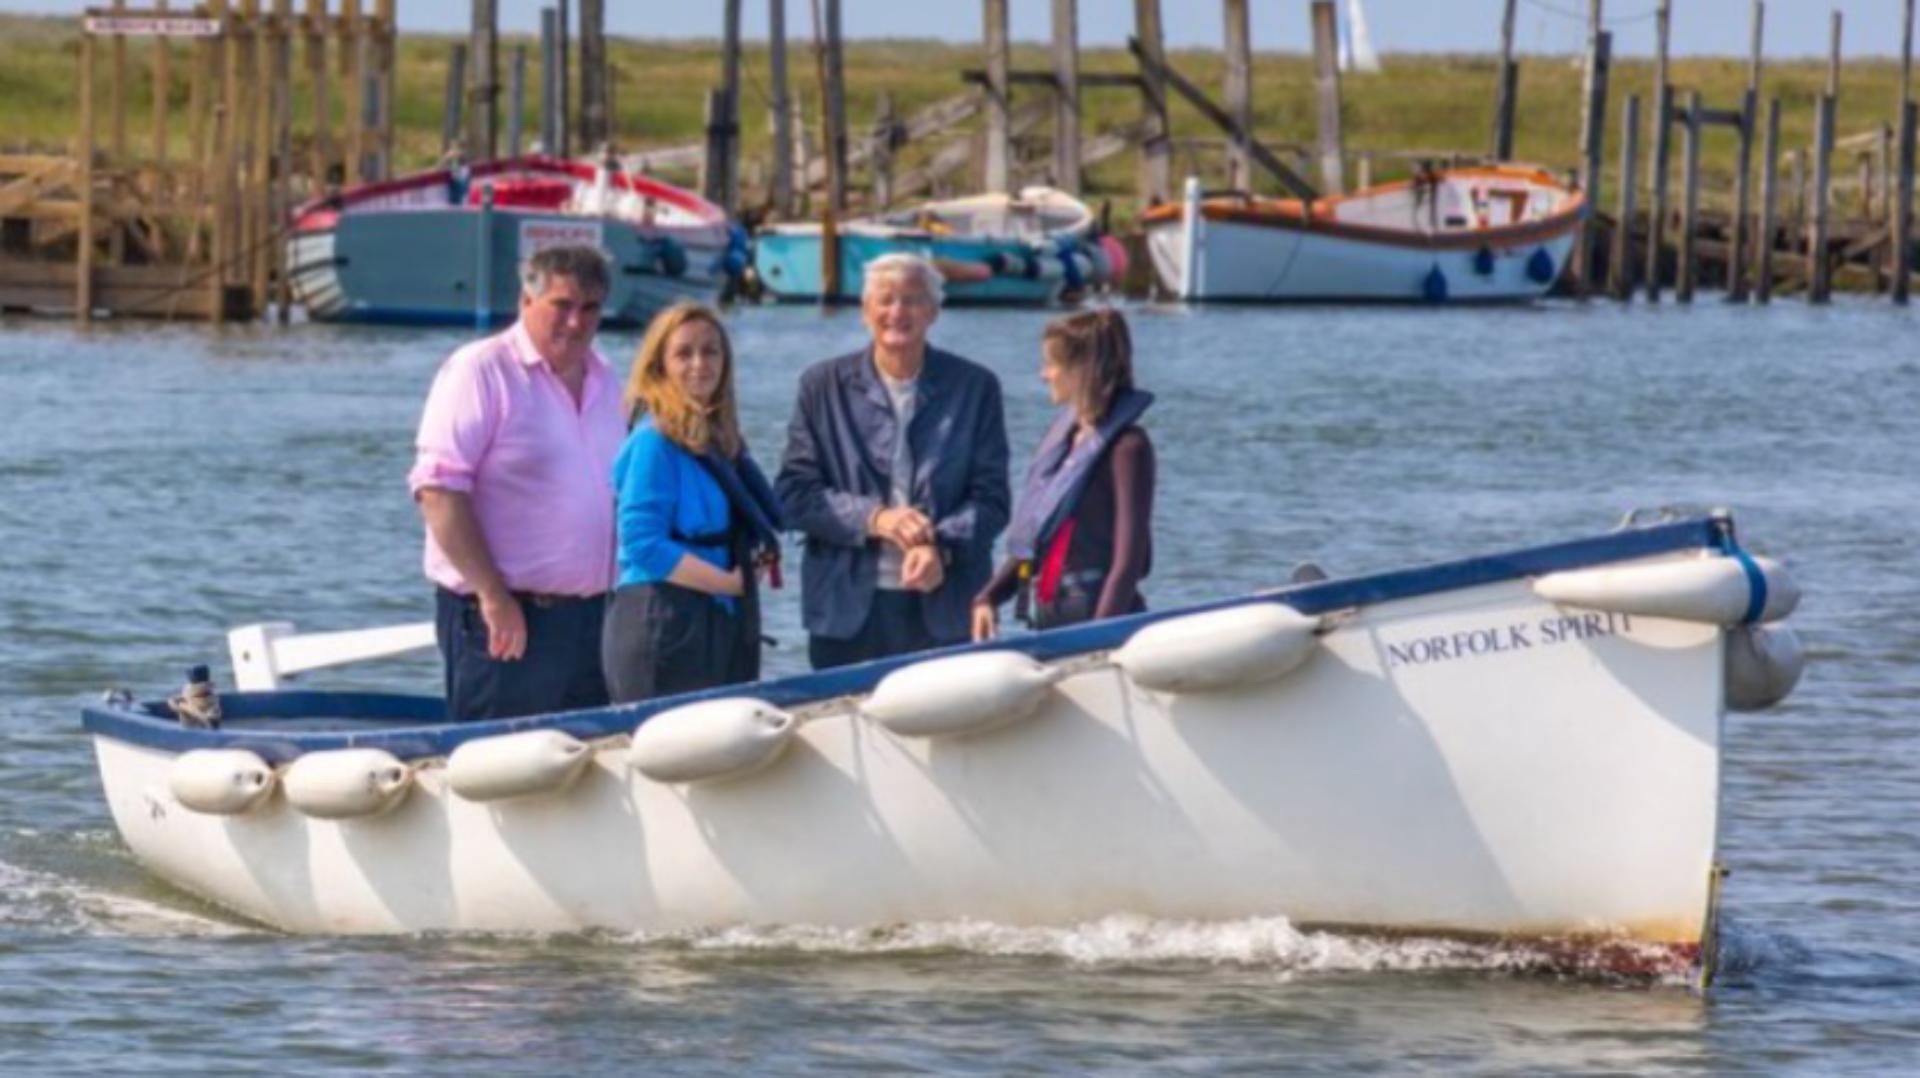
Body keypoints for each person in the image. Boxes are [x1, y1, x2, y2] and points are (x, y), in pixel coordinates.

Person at [408, 244, 625, 721]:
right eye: (562, 306)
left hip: (593, 619)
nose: (575, 322)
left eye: (589, 309)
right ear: (526, 301)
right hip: (505, 617)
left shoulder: (607, 378)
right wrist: (493, 595)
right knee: (499, 771)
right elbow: (438, 492)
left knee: (589, 774)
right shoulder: (480, 370)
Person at [776, 252, 1011, 669]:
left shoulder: (976, 388)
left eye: (913, 299)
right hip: (844, 613)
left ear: (934, 311)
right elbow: (795, 495)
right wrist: (875, 518)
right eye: (885, 300)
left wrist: (940, 545)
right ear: (866, 311)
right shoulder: (821, 386)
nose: (897, 311)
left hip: (946, 604)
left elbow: (993, 501)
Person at [602, 303, 784, 704]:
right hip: (662, 622)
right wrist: (730, 583)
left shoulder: (720, 444)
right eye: (684, 353)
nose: (699, 364)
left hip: (717, 616)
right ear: (659, 365)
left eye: (711, 351)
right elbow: (641, 542)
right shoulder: (654, 442)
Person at [973, 309, 1155, 639]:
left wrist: (1098, 639)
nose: (1044, 375)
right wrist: (989, 597)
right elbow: (1035, 541)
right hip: (1051, 620)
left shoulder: (1128, 449)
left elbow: (1127, 563)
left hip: (1103, 618)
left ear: (1082, 371)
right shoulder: (1066, 443)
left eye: (1052, 364)